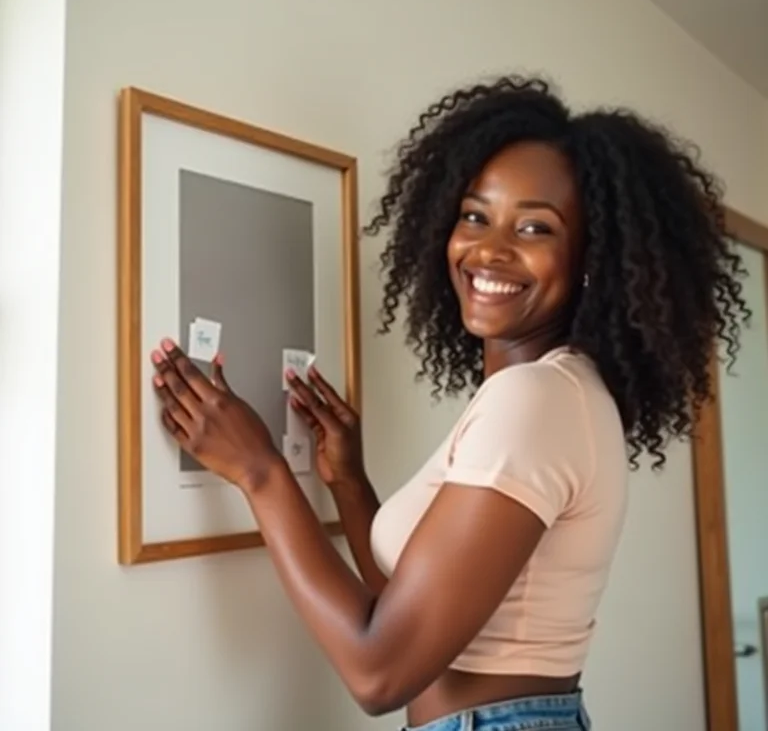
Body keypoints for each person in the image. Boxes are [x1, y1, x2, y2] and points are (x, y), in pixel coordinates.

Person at [149, 75, 749, 730]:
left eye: (534, 228)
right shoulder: (550, 391)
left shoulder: (537, 400)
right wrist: (348, 483)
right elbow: (414, 618)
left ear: (589, 260)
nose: (489, 249)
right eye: (474, 215)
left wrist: (260, 471)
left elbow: (380, 671)